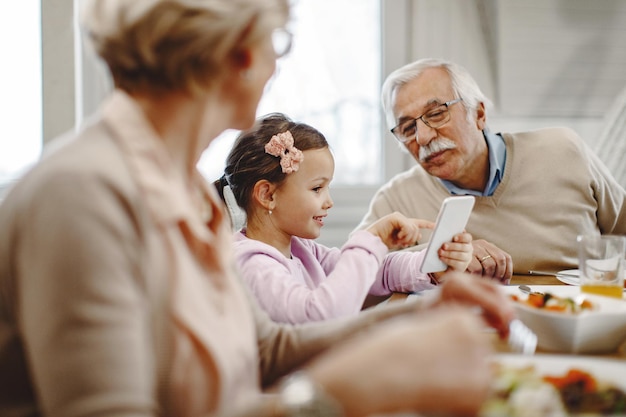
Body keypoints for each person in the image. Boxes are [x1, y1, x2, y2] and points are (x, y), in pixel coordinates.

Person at [0, 3, 515, 417]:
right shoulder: (82, 196)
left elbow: (265, 352)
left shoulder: (189, 190)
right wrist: (332, 398)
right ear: (240, 52)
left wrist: (419, 312)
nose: (275, 61)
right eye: (278, 40)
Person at [355, 57, 626, 279]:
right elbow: (346, 284)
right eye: (408, 128)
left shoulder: (564, 151)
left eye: (437, 114)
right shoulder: (396, 200)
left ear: (480, 114)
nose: (423, 137)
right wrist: (436, 256)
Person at [215, 112, 473, 324]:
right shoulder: (252, 265)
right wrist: (370, 239)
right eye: (317, 188)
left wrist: (430, 265)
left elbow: (377, 273)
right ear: (267, 194)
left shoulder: (303, 251)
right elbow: (318, 315)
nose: (329, 202)